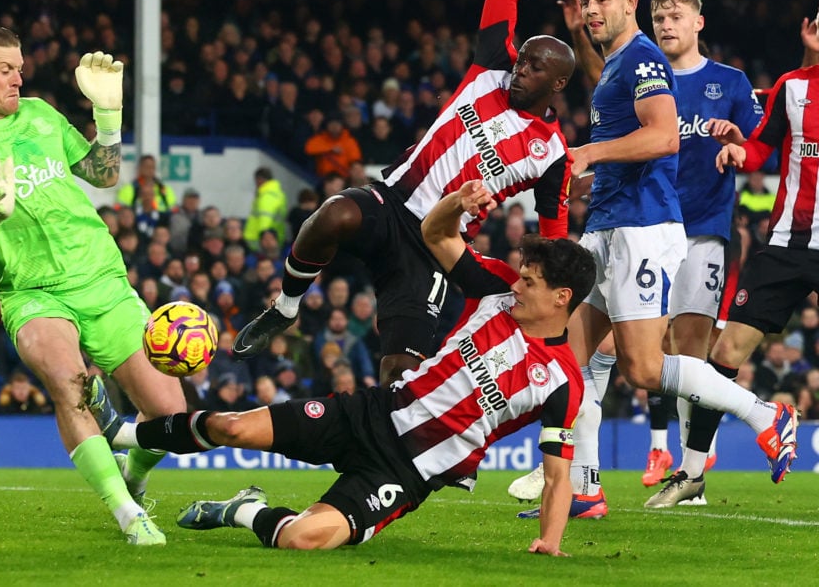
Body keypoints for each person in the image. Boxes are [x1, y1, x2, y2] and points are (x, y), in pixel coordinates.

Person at [89, 180, 596, 555]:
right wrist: (456, 203)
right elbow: (433, 233)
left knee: (304, 540)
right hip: (370, 412)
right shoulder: (495, 289)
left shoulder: (563, 382)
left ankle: (242, 509)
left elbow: (557, 476)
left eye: (530, 282)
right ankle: (126, 434)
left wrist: (549, 541)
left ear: (562, 297)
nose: (520, 285)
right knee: (232, 427)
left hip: (405, 471)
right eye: (522, 276)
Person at [233, 0, 624, 386]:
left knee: (401, 372)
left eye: (534, 69)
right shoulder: (490, 68)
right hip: (390, 202)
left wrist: (547, 287)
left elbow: (554, 234)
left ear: (558, 84)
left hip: (434, 247)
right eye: (521, 60)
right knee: (333, 215)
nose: (520, 71)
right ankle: (287, 306)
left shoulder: (553, 154)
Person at [514, 0, 799, 519]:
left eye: (601, 0)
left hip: (645, 227)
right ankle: (586, 490)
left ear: (628, 4)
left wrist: (591, 154)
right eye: (586, 0)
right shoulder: (620, 61)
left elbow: (665, 137)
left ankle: (763, 414)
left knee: (643, 367)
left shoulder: (644, 58)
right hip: (609, 224)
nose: (592, 9)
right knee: (578, 358)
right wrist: (596, 174)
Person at [0, 25, 185, 545]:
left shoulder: (42, 114)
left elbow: (102, 173)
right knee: (70, 384)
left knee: (171, 415)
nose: (19, 78)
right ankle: (127, 517)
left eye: (21, 68)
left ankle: (133, 474)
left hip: (103, 280)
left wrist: (109, 120)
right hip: (33, 292)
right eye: (7, 69)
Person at [551, 0, 764, 494]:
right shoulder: (637, 67)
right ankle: (583, 486)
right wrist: (580, 32)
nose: (668, 23)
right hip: (620, 221)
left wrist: (741, 146)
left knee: (669, 356)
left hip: (682, 226)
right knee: (576, 354)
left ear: (698, 23)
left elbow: (761, 144)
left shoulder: (722, 81)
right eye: (661, 15)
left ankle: (697, 464)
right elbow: (608, 86)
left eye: (677, 15)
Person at [655, 12, 819, 504]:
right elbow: (762, 147)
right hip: (788, 244)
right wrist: (736, 151)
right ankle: (692, 473)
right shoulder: (792, 87)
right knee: (724, 355)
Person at [242, 167, 287, 250]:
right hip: (273, 238)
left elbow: (265, 219)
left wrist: (264, 239)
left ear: (260, 179)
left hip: (259, 241)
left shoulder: (267, 195)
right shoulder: (277, 193)